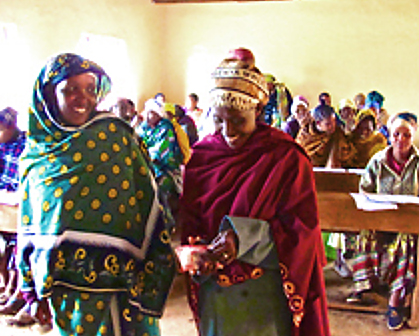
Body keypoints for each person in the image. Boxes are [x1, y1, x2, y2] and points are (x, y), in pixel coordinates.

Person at [17, 53, 176, 336]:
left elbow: (146, 199)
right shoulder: (36, 154)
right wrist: (29, 288)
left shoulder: (115, 137)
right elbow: (27, 223)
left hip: (121, 282)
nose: (83, 98)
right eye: (70, 90)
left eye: (90, 89)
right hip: (63, 288)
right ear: (48, 96)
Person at [178, 48, 330, 336]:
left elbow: (303, 231)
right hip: (215, 292)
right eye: (219, 120)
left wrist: (243, 239)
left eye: (237, 119)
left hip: (264, 294)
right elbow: (190, 220)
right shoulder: (202, 156)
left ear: (259, 111)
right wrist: (196, 252)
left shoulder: (285, 158)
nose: (228, 131)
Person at [346, 112, 419, 331]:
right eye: (396, 134)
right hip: (381, 218)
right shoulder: (378, 161)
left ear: (413, 136)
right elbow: (364, 189)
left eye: (406, 135)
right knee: (365, 236)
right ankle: (366, 287)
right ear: (390, 134)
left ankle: (395, 299)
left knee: (405, 242)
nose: (401, 139)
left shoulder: (418, 163)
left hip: (409, 224)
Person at [137, 99, 183, 227]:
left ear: (159, 115)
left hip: (165, 169)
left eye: (153, 113)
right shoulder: (142, 127)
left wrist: (146, 156)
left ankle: (164, 223)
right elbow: (136, 144)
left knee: (159, 185)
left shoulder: (165, 127)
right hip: (145, 165)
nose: (149, 116)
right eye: (148, 112)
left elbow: (163, 152)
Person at [296, 103, 356, 168]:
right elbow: (299, 155)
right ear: (318, 123)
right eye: (328, 124)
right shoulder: (305, 135)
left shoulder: (337, 133)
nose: (333, 126)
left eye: (334, 122)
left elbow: (348, 153)